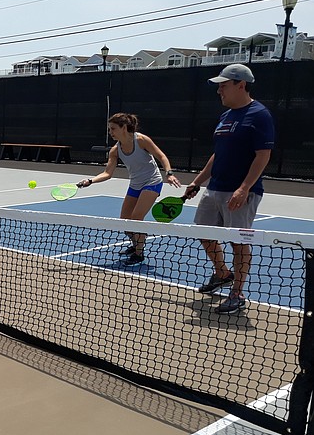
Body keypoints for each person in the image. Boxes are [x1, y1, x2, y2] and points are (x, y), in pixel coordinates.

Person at [181, 64, 274, 314]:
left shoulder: (259, 114)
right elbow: (217, 154)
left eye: (224, 85)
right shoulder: (226, 116)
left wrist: (244, 188)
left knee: (239, 243)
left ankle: (237, 293)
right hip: (215, 189)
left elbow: (263, 155)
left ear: (240, 85)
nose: (219, 90)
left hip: (240, 193)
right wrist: (197, 182)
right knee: (203, 231)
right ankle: (222, 273)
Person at [77, 113, 180, 266]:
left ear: (124, 128)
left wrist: (169, 173)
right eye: (109, 129)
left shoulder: (141, 140)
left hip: (152, 181)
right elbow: (107, 173)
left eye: (113, 129)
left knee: (137, 218)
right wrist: (90, 181)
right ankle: (135, 245)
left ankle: (139, 254)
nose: (110, 132)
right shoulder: (115, 150)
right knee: (125, 222)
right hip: (135, 184)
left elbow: (161, 156)